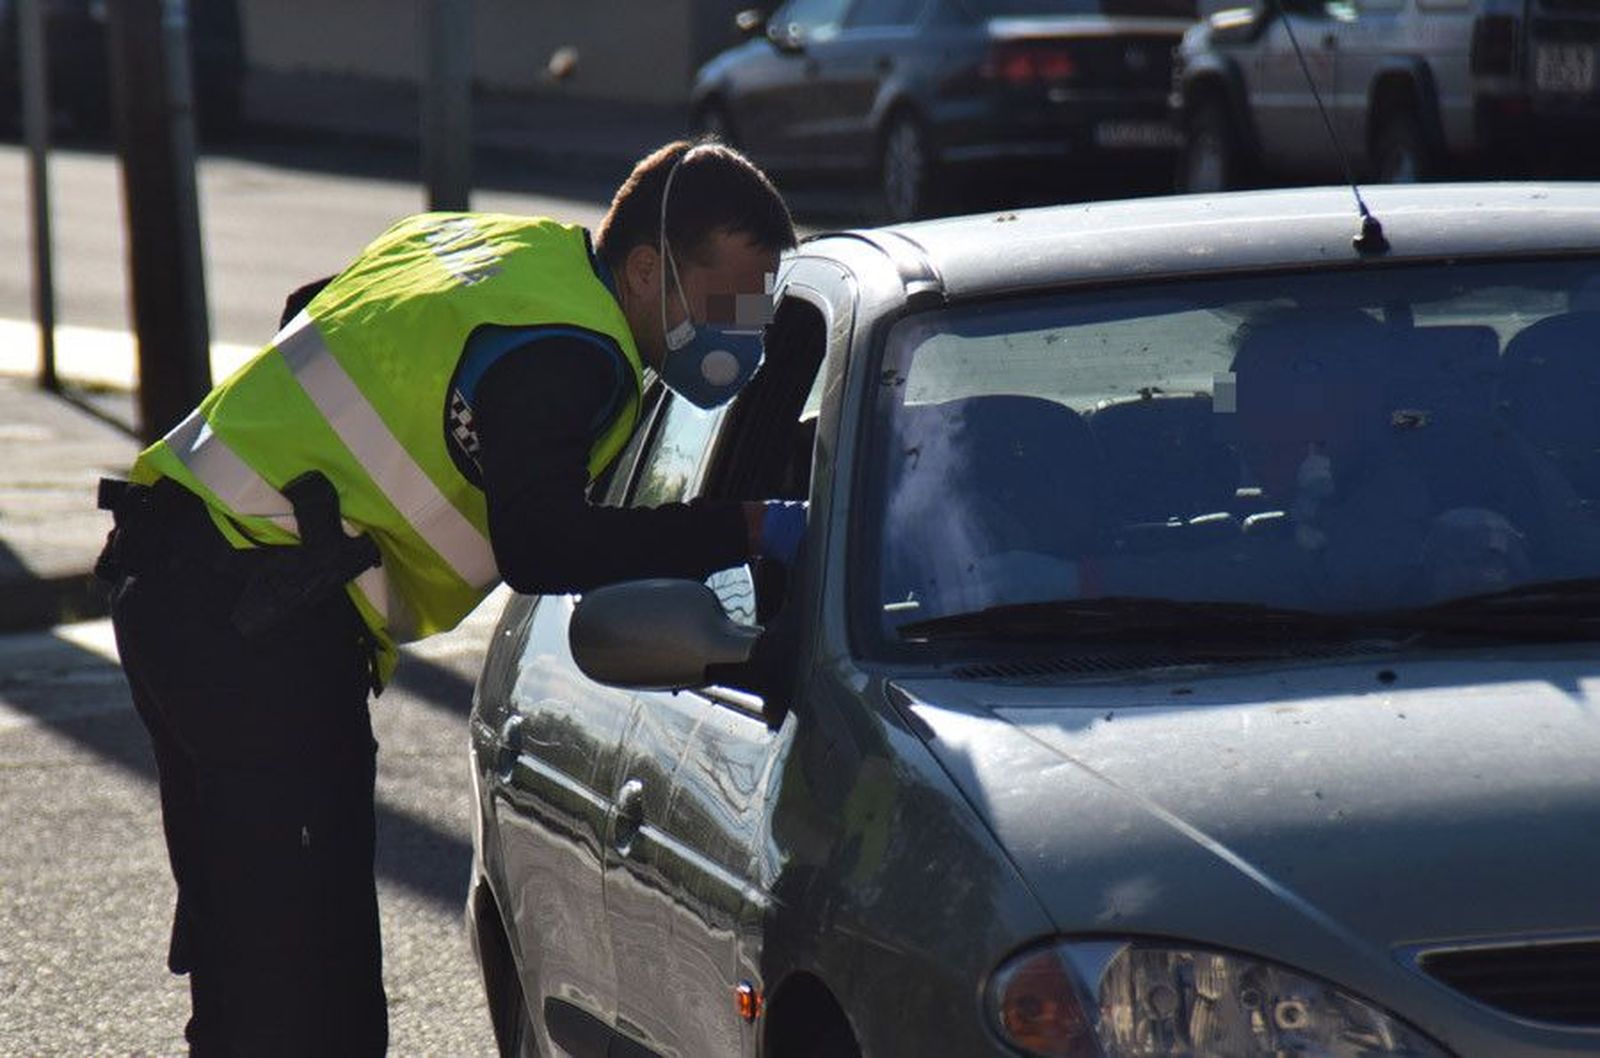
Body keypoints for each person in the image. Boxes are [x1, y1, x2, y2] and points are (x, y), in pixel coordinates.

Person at [95, 139, 805, 1056]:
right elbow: (544, 544)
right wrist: (743, 528)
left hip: (177, 579)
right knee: (311, 999)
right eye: (727, 303)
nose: (743, 333)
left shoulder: (496, 253)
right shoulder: (572, 349)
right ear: (645, 269)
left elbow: (314, 310)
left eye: (756, 311)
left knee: (253, 964)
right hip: (253, 619)